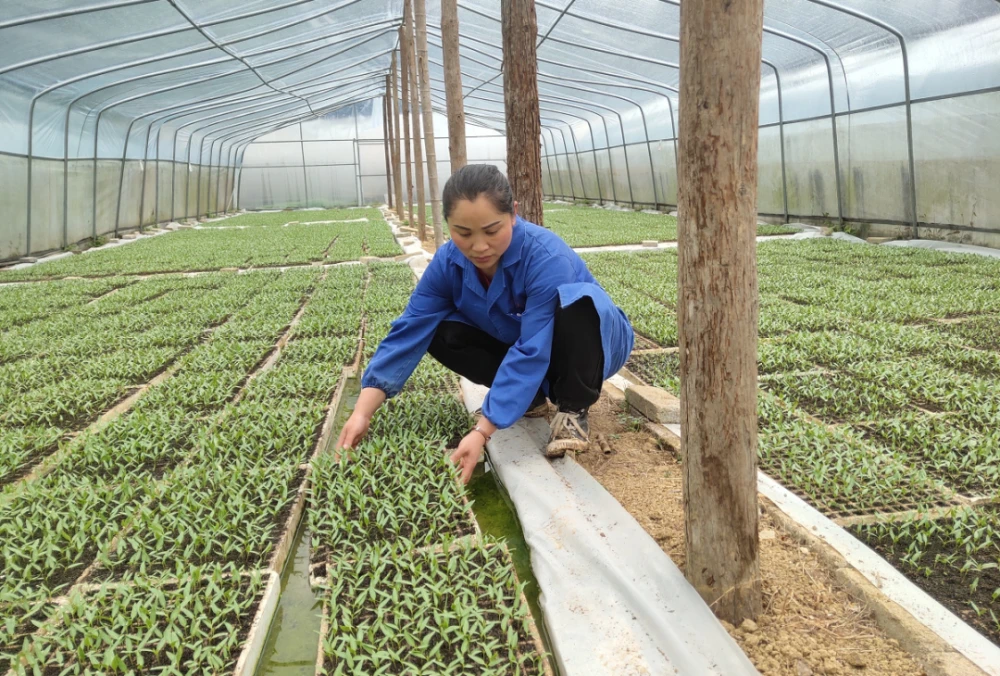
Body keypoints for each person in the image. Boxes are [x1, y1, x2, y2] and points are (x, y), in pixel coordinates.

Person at [335, 164, 634, 483]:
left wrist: (483, 431)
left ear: (514, 213)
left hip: (589, 346)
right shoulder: (448, 263)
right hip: (520, 340)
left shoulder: (545, 258)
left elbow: (533, 349)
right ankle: (529, 399)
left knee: (578, 301)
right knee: (438, 329)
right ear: (448, 224)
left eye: (492, 230)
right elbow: (410, 328)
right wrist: (361, 412)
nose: (478, 246)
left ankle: (572, 408)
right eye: (463, 233)